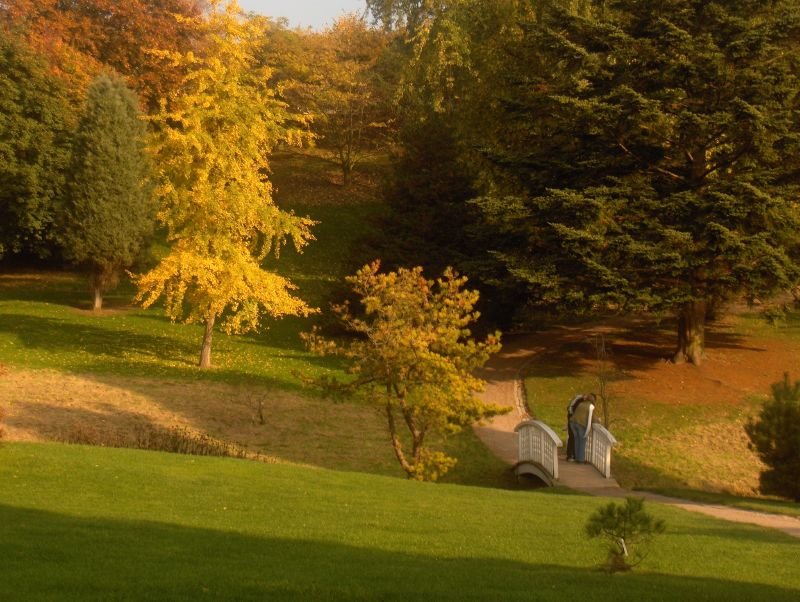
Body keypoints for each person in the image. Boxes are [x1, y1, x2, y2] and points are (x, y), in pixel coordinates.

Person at [569, 393, 596, 463]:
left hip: (572, 423)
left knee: (577, 440)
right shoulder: (591, 406)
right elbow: (590, 419)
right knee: (582, 442)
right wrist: (587, 432)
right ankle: (581, 460)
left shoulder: (581, 404)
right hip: (580, 424)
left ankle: (577, 458)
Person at [565, 393, 585, 461]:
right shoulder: (580, 401)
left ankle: (570, 455)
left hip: (571, 418)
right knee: (573, 437)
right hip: (573, 420)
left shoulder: (576, 399)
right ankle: (571, 455)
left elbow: (569, 408)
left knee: (571, 437)